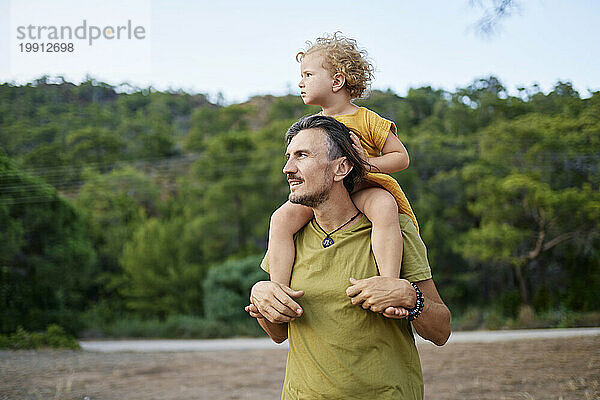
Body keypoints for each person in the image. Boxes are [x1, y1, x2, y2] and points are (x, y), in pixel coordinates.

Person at [246, 115, 451, 399]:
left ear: (341, 167)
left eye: (302, 156)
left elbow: (441, 332)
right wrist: (261, 296)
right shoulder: (290, 234)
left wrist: (410, 297)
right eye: (288, 157)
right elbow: (279, 333)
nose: (287, 169)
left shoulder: (395, 229)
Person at [268, 33, 417, 317]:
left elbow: (401, 158)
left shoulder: (367, 119)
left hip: (362, 189)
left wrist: (366, 164)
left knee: (385, 206)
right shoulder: (310, 128)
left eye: (308, 74)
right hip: (322, 199)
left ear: (337, 81)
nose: (301, 82)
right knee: (281, 219)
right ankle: (279, 291)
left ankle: (389, 284)